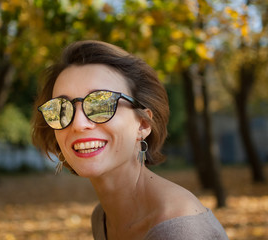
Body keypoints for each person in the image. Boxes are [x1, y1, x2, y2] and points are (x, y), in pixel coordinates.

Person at [32, 40, 229, 240]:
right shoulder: (102, 217)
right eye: (62, 109)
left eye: (101, 104)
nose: (78, 123)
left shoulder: (178, 228)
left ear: (143, 125)